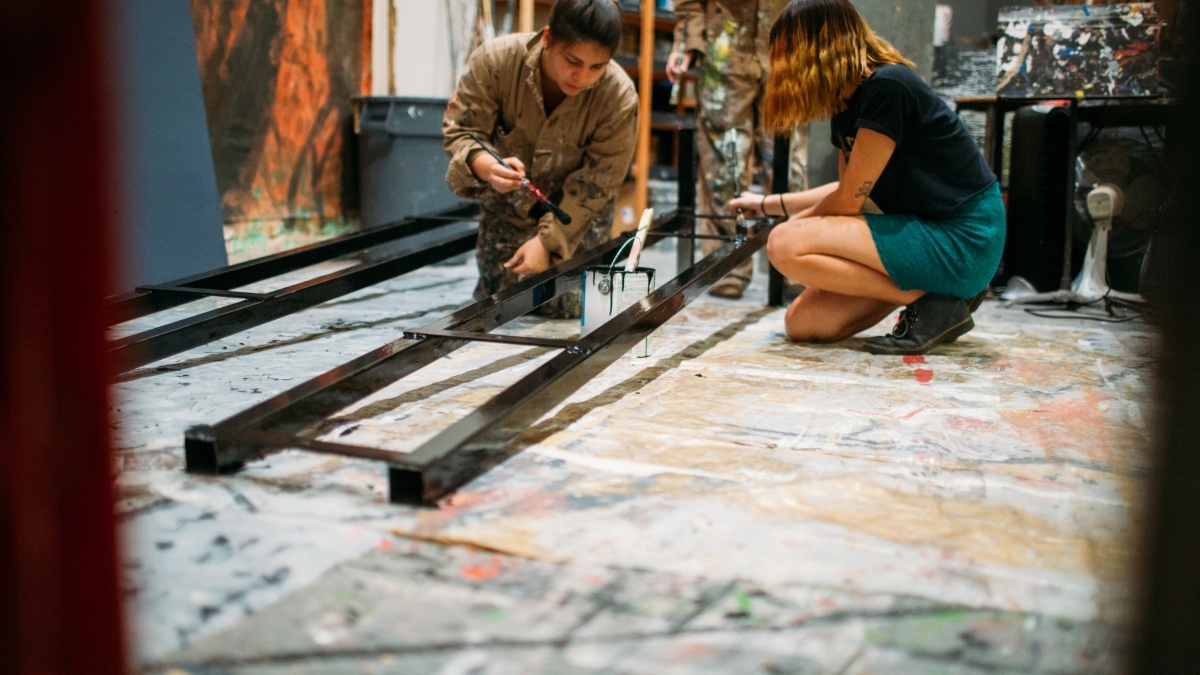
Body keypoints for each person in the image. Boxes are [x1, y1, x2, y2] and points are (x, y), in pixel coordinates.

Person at [728, 0, 1004, 355]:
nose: (782, 65)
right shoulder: (847, 102)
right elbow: (851, 189)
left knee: (783, 243)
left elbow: (849, 202)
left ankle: (936, 302)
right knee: (803, 325)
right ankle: (935, 301)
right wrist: (767, 204)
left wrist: (789, 225)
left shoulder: (888, 86)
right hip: (923, 234)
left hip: (964, 238)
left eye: (787, 52)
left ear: (817, 47)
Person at [443, 0, 638, 318]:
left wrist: (549, 242)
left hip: (576, 213)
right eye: (572, 60)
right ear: (547, 38)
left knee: (568, 305)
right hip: (511, 200)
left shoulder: (619, 97)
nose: (582, 77)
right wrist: (489, 166)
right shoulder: (496, 62)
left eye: (597, 67)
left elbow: (600, 180)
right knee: (504, 302)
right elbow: (460, 132)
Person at [666, 0, 807, 300]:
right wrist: (688, 37)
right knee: (724, 165)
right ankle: (728, 263)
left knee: (787, 160)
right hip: (725, 44)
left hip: (787, 40)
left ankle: (795, 260)